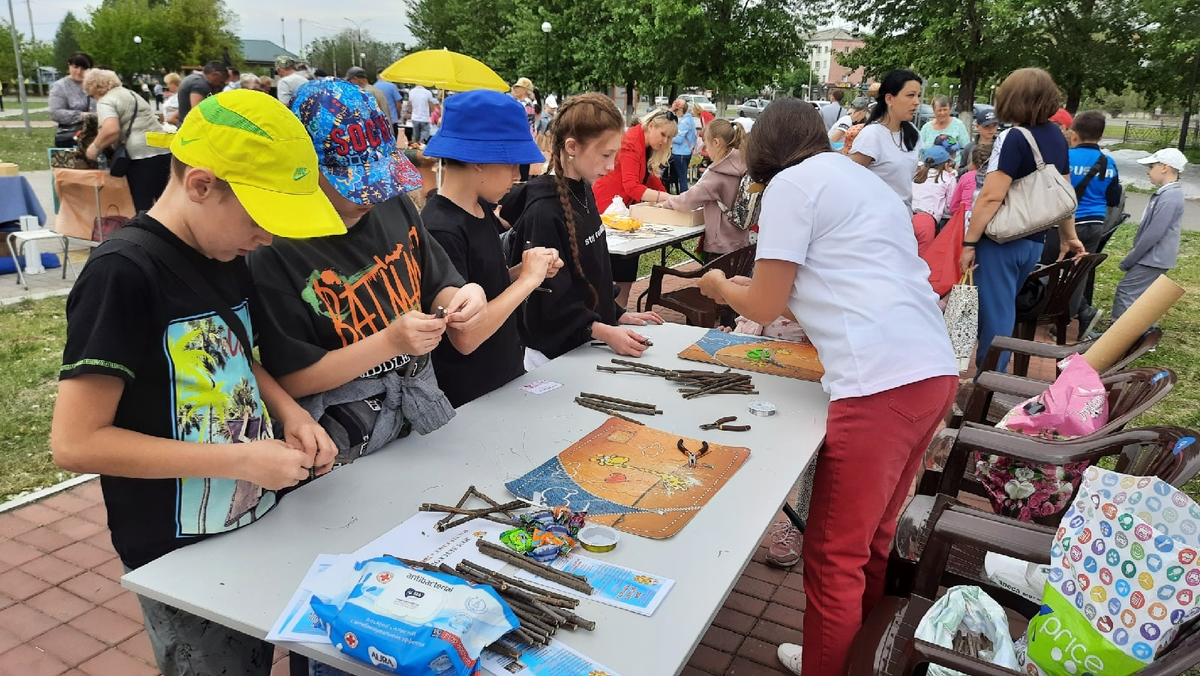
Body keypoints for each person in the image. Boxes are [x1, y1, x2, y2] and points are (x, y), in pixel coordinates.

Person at [51, 89, 344, 676]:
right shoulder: (122, 275)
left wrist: (292, 413)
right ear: (202, 185)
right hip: (176, 550)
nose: (268, 239)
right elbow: (75, 443)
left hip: (247, 517)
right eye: (260, 219)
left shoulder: (224, 250)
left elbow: (238, 351)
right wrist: (238, 460)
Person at [696, 98, 957, 676]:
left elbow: (764, 302)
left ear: (763, 148)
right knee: (871, 540)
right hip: (931, 370)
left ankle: (829, 663)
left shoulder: (791, 185)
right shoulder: (854, 177)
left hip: (881, 384)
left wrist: (719, 286)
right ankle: (853, 658)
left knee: (833, 553)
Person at [247, 79, 496, 426]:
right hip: (341, 430)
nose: (372, 196)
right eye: (355, 184)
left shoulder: (393, 204)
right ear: (305, 170)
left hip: (417, 405)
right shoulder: (271, 249)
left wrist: (465, 297)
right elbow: (291, 379)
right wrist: (390, 342)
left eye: (378, 180)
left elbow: (437, 284)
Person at [420, 90, 565, 406]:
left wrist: (524, 272)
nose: (517, 176)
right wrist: (527, 281)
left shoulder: (480, 207)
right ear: (478, 161)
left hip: (502, 375)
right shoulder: (441, 228)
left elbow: (487, 284)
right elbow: (465, 336)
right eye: (512, 164)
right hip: (468, 393)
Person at [503, 93, 664, 368]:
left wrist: (615, 313)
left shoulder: (583, 189)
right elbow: (549, 304)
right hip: (554, 356)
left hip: (586, 342)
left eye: (616, 154)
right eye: (605, 154)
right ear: (572, 146)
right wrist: (603, 330)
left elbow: (591, 274)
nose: (611, 166)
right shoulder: (544, 211)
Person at [959, 68, 1086, 373]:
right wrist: (1069, 235)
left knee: (996, 318)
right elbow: (1062, 193)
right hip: (1033, 241)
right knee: (1001, 312)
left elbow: (991, 196)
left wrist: (969, 242)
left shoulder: (1013, 137)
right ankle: (989, 376)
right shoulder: (1057, 135)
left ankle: (987, 384)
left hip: (1001, 242)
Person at [591, 107, 678, 308]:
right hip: (607, 207)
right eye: (663, 134)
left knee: (628, 260)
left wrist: (672, 199)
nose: (665, 141)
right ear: (651, 126)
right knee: (613, 262)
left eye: (669, 137)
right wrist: (668, 198)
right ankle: (611, 311)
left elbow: (650, 179)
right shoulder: (630, 142)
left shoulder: (645, 145)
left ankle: (620, 309)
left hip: (621, 211)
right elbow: (632, 186)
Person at [1046, 110, 1122, 337]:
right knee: (1079, 275)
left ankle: (1036, 312)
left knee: (1049, 267)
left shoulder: (1066, 158)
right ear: (1100, 137)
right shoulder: (1110, 163)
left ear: (1074, 134)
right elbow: (1113, 199)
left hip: (1065, 225)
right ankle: (1063, 324)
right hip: (1094, 225)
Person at [1110, 148, 1186, 322]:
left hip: (1152, 257)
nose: (1148, 171)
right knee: (1145, 296)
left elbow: (1153, 234)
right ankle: (1145, 334)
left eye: (1152, 166)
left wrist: (1131, 259)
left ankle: (1118, 338)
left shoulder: (1170, 196)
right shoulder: (1168, 194)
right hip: (1156, 257)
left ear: (1164, 167)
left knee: (1126, 290)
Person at [81, 69, 172, 212]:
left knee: (144, 205)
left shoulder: (106, 100)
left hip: (140, 155)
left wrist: (94, 147)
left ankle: (147, 234)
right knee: (166, 203)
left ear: (94, 89)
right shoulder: (132, 94)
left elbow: (111, 130)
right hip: (163, 149)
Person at [662, 119, 749, 261]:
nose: (706, 150)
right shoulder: (745, 165)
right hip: (742, 240)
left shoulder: (716, 175)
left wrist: (668, 203)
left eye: (706, 145)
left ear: (716, 142)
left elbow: (688, 201)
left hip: (720, 245)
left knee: (716, 282)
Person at [849, 70, 924, 209]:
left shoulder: (912, 132)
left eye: (918, 96)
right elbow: (847, 178)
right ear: (889, 99)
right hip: (874, 220)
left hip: (903, 218)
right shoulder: (871, 135)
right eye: (910, 95)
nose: (917, 102)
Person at [910, 144, 956, 255]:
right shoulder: (948, 178)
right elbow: (950, 206)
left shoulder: (916, 175)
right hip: (926, 220)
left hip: (906, 217)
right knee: (924, 261)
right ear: (946, 164)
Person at [49, 51, 95, 147]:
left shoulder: (96, 84)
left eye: (84, 68)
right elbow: (55, 113)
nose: (79, 71)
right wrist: (84, 116)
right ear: (69, 66)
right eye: (75, 67)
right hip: (72, 137)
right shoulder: (60, 86)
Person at [920, 95, 970, 164]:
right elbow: (920, 151)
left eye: (945, 109)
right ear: (934, 110)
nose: (942, 113)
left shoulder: (958, 125)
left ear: (950, 109)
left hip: (953, 170)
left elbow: (966, 149)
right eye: (939, 110)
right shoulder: (926, 128)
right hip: (930, 169)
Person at [950, 142, 992, 217]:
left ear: (972, 162)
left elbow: (954, 205)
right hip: (987, 215)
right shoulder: (994, 178)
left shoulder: (966, 177)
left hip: (964, 215)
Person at [669, 98, 697, 193]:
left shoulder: (684, 122)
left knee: (682, 178)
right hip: (687, 151)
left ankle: (683, 197)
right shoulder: (690, 120)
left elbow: (678, 139)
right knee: (683, 176)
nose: (676, 114)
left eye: (676, 111)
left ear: (680, 110)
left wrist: (668, 138)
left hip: (680, 152)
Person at [511, 77, 537, 181]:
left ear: (525, 90)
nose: (515, 89)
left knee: (521, 171)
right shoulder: (525, 103)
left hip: (522, 139)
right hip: (524, 139)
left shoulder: (524, 104)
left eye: (518, 87)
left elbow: (516, 121)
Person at [959, 108, 999, 172]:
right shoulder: (969, 147)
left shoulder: (1001, 146)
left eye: (994, 126)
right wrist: (969, 168)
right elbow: (959, 173)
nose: (990, 130)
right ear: (977, 126)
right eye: (987, 126)